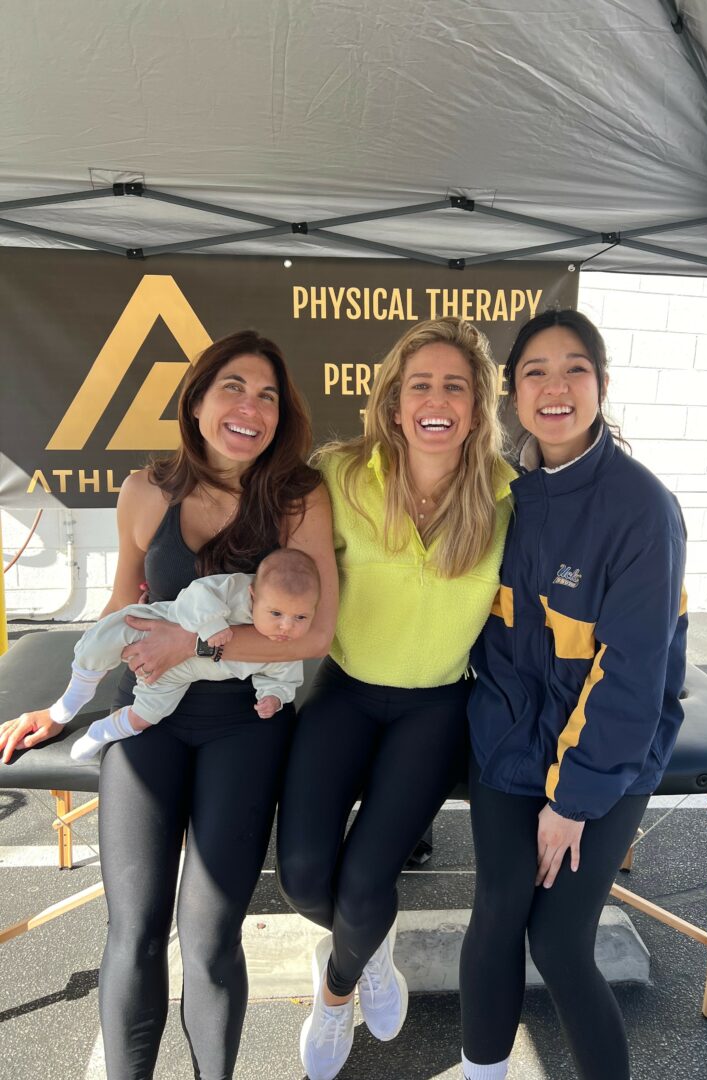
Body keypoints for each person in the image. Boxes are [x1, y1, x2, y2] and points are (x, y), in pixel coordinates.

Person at [0, 330, 338, 1080]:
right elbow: (120, 609)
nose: (250, 407)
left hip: (243, 725)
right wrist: (62, 706)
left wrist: (197, 647)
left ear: (281, 417)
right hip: (148, 717)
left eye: (268, 396)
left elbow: (314, 634)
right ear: (196, 400)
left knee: (211, 936)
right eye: (233, 387)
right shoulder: (146, 489)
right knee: (134, 930)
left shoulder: (298, 499)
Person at [275, 317, 516, 1080]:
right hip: (344, 692)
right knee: (303, 876)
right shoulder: (340, 475)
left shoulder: (508, 495)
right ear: (393, 401)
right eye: (421, 385)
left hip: (434, 709)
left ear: (476, 408)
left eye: (455, 386)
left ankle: (337, 989)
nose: (436, 400)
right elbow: (281, 577)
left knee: (364, 883)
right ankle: (371, 948)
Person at [458, 309, 688, 1080]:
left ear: (602, 384)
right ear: (512, 392)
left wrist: (572, 801)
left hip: (604, 759)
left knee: (558, 941)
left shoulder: (642, 508)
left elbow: (633, 675)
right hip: (507, 741)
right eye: (536, 372)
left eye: (574, 370)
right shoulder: (500, 492)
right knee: (497, 914)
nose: (555, 387)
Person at [29, 547, 319, 762]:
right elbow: (197, 594)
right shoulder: (237, 589)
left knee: (148, 714)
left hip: (181, 674)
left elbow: (282, 677)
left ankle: (102, 731)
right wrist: (211, 625)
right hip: (161, 626)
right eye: (276, 613)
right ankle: (77, 692)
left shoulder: (286, 647)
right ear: (254, 595)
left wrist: (273, 697)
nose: (286, 627)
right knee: (110, 633)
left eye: (301, 617)